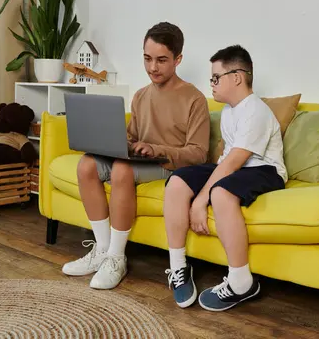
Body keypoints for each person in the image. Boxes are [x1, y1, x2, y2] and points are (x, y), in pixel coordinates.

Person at [62, 22, 210, 290]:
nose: (153, 67)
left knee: (122, 170)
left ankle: (117, 258)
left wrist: (158, 150)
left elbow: (199, 154)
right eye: (147, 58)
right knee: (86, 165)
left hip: (170, 165)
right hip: (142, 159)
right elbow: (132, 136)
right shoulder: (141, 96)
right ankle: (102, 251)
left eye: (162, 60)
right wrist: (118, 143)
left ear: (178, 59)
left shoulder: (194, 99)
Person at [163, 44, 287, 311]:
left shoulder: (256, 110)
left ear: (237, 77)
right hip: (239, 168)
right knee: (177, 182)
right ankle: (178, 268)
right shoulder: (230, 110)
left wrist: (200, 201)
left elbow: (234, 162)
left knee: (220, 193)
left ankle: (242, 282)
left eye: (215, 78)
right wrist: (195, 188)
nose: (212, 84)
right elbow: (224, 160)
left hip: (265, 170)